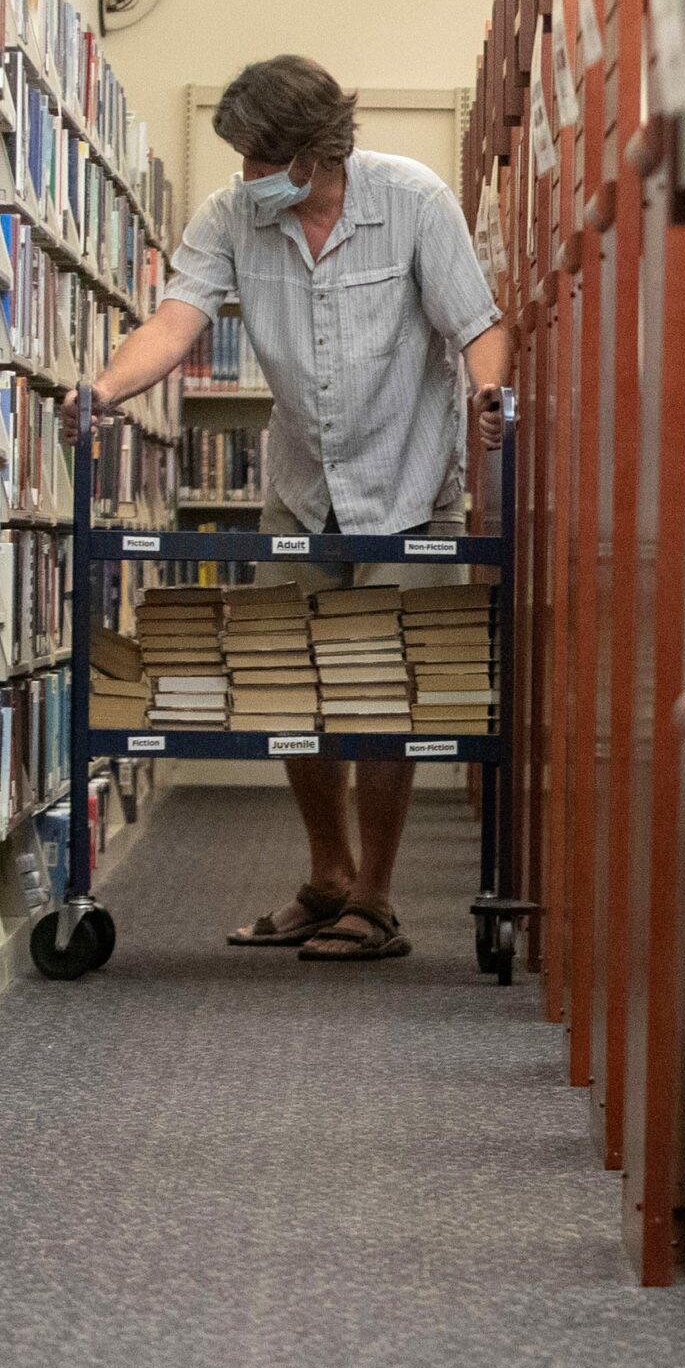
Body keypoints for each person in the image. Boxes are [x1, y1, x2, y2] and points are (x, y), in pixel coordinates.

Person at [75, 54, 508, 963]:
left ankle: (378, 901)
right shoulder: (232, 217)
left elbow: (478, 324)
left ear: (312, 156)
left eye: (258, 161)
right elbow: (176, 319)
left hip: (408, 481)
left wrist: (490, 398)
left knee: (386, 694)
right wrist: (102, 389)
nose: (243, 179)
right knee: (293, 680)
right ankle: (327, 876)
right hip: (301, 486)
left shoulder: (416, 201)